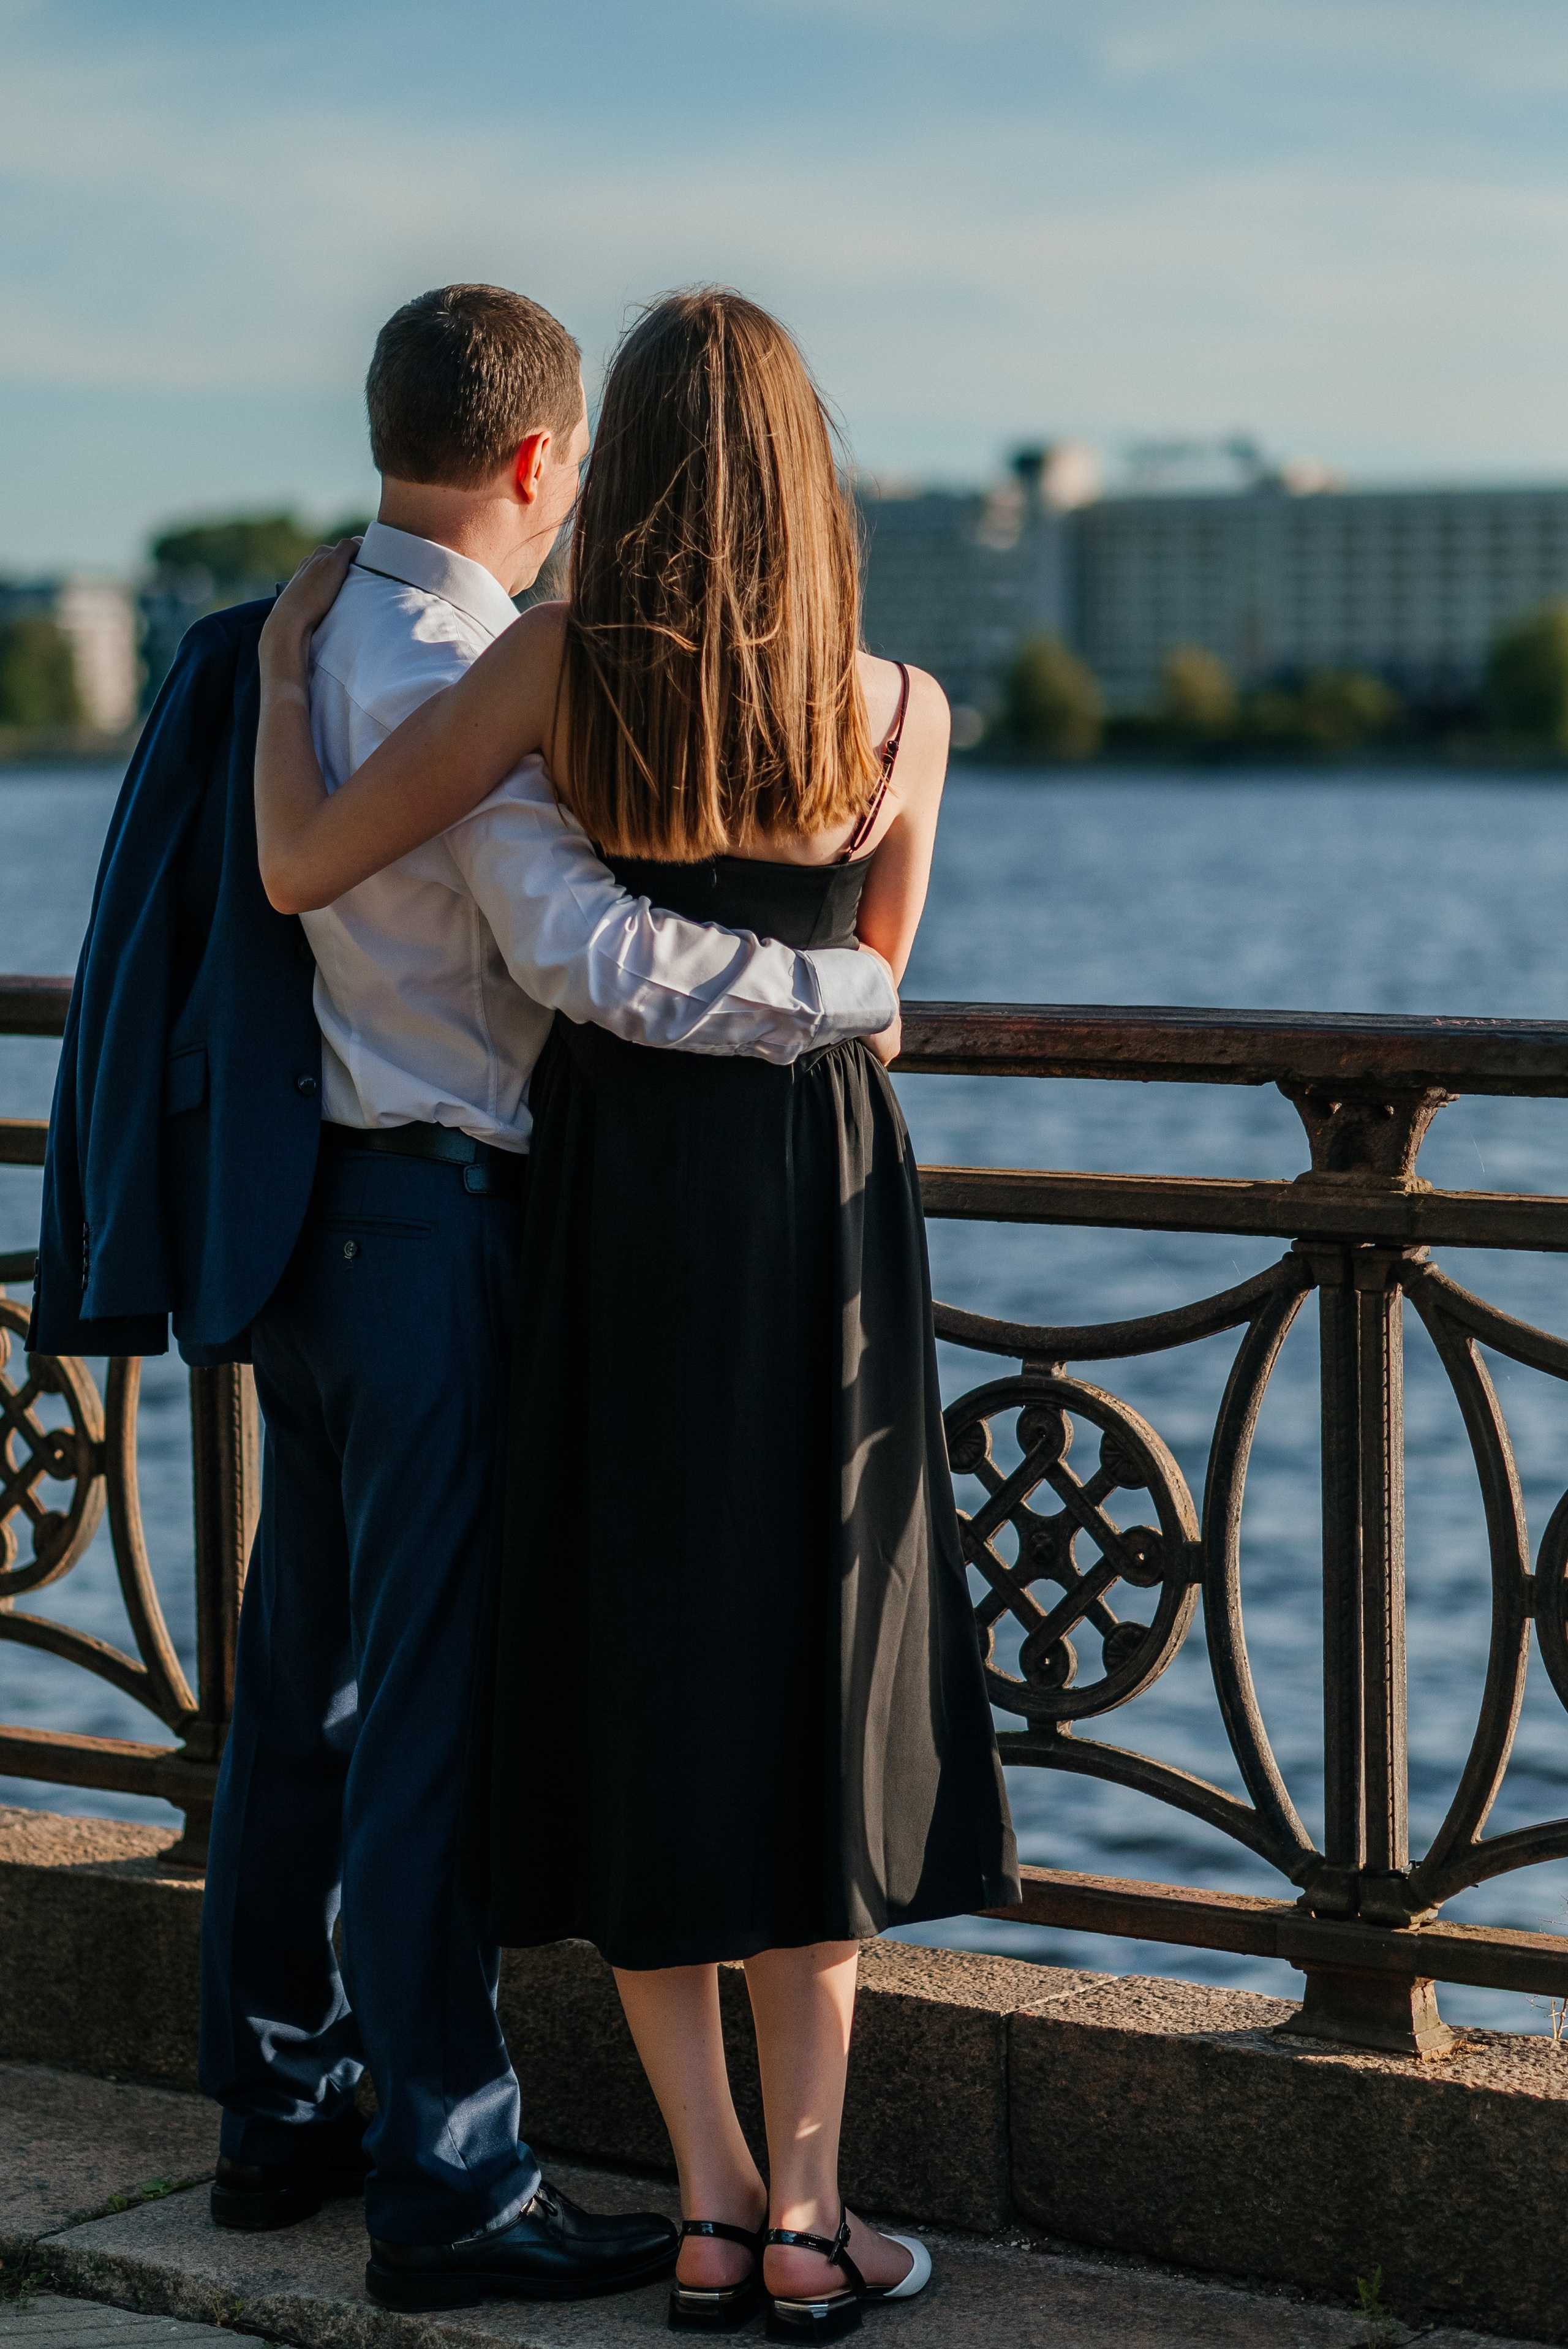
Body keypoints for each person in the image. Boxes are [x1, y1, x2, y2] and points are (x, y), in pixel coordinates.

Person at [255, 287, 1017, 2340]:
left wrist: (268, 675)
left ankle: (695, 2208)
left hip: (608, 1208)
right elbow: (881, 979)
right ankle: (808, 2217)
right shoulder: (900, 708)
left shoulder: (549, 674)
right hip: (822, 1214)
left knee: (652, 1667)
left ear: (635, 476)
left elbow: (312, 858)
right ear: (807, 481)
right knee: (814, 1677)